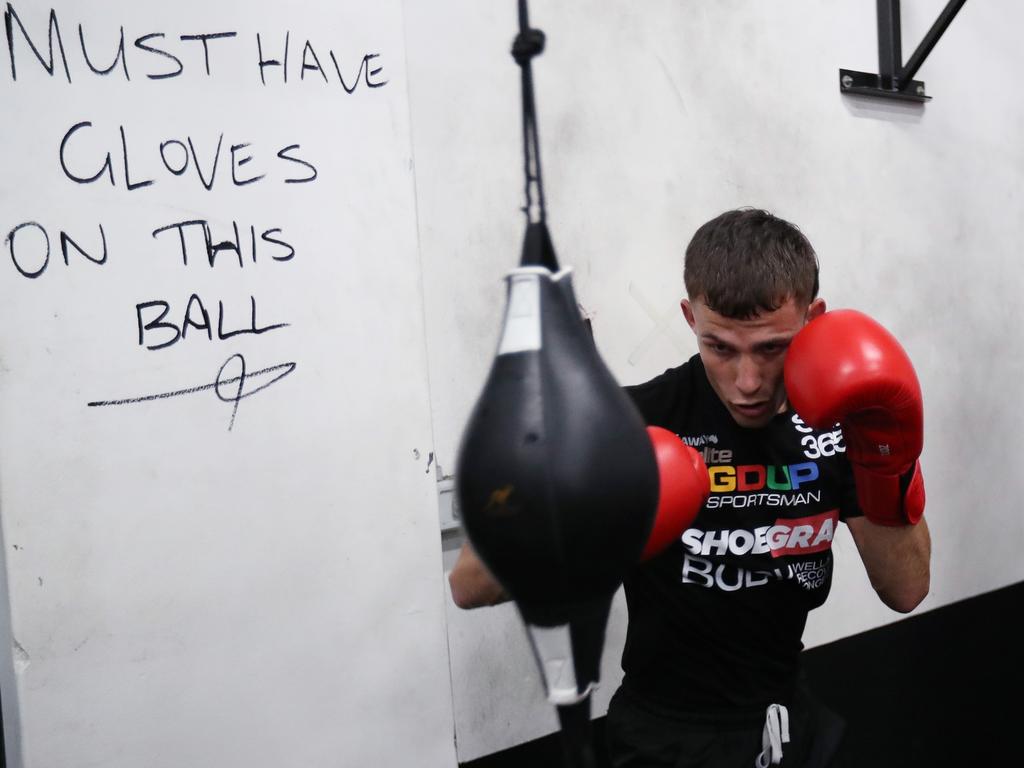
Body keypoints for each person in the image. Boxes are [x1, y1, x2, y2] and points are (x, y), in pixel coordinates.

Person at [449, 208, 931, 767]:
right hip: (663, 738)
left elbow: (907, 590)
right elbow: (468, 586)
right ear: (689, 317)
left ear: (812, 317)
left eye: (771, 348)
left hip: (788, 725)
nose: (746, 382)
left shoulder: (841, 420)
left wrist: (884, 455)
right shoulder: (637, 421)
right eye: (720, 347)